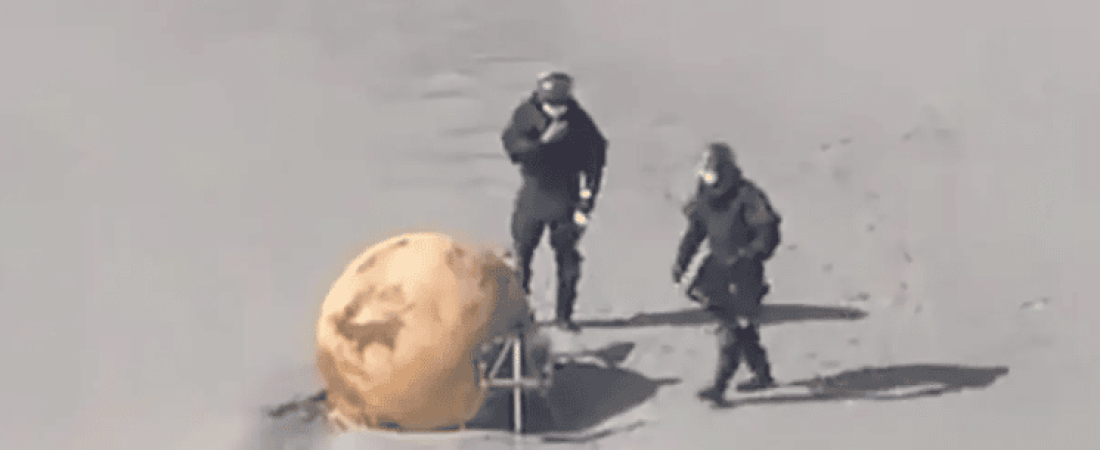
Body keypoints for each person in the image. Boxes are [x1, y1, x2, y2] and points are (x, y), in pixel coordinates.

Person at [671, 142, 783, 403]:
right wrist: (682, 261)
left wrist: (751, 253)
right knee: (736, 327)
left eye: (713, 174)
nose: (709, 180)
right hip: (717, 269)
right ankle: (761, 373)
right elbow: (695, 230)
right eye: (705, 174)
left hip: (744, 272)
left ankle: (720, 386)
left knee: (734, 329)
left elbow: (768, 230)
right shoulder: (705, 197)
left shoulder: (748, 196)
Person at [501, 71, 608, 332]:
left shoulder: (580, 122)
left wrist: (586, 204)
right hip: (533, 196)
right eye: (551, 105)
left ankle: (564, 316)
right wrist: (542, 142)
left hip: (566, 199)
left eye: (560, 106)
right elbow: (513, 148)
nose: (556, 111)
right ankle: (518, 314)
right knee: (522, 256)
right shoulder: (526, 114)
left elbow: (595, 162)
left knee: (568, 261)